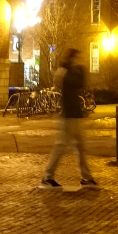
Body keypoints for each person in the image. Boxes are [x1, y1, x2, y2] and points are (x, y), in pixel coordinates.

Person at [41, 48, 97, 189]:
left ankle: (86, 177)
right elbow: (79, 81)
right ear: (71, 58)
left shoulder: (68, 71)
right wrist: (80, 69)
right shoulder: (66, 72)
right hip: (69, 116)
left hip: (74, 115)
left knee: (80, 147)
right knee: (61, 146)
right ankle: (48, 177)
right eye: (76, 58)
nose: (79, 61)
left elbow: (79, 81)